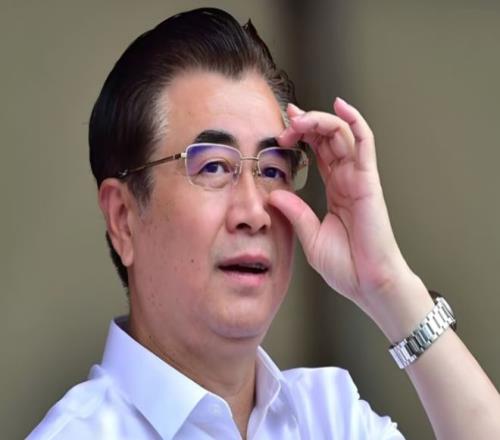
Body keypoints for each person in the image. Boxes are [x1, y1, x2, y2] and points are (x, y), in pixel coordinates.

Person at [28, 7, 500, 440]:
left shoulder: (328, 415)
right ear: (123, 219)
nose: (254, 212)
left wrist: (387, 284)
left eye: (273, 170)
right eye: (214, 166)